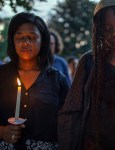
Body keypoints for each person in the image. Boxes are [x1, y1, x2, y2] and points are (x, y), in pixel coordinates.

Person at [58, 0, 115, 149]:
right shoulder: (89, 62)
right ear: (99, 31)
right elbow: (71, 111)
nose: (114, 33)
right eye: (107, 29)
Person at [0, 12, 69, 150]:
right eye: (20, 37)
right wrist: (2, 131)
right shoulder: (1, 75)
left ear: (43, 40)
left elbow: (68, 123)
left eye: (32, 37)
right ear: (12, 40)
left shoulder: (58, 80)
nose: (26, 42)